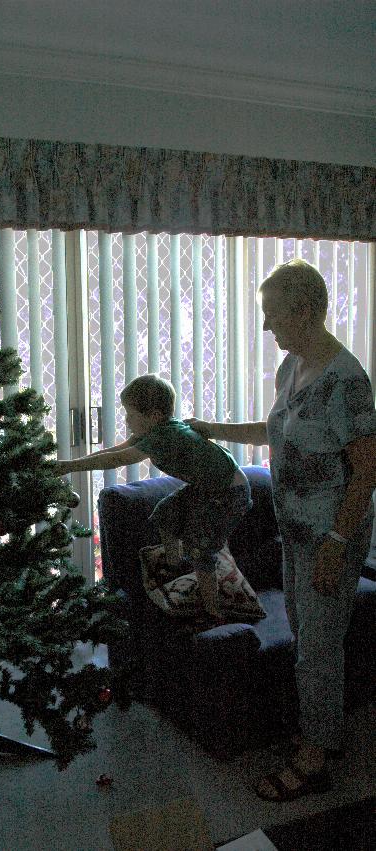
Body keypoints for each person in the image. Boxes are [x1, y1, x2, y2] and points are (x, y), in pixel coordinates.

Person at [187, 259, 376, 802]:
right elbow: (276, 434)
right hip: (294, 532)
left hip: (330, 537)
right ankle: (325, 732)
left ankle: (314, 763)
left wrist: (337, 547)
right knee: (310, 640)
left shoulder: (346, 381)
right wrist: (211, 430)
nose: (267, 326)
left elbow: (367, 471)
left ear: (310, 311)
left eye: (274, 315)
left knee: (316, 647)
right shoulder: (293, 367)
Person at [54, 374, 253, 620]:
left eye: (131, 415)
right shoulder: (153, 430)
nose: (126, 420)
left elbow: (117, 460)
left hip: (230, 493)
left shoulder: (166, 436)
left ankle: (213, 610)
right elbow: (114, 451)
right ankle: (175, 568)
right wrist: (69, 465)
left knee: (201, 548)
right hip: (207, 487)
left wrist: (69, 467)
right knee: (165, 514)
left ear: (155, 416)